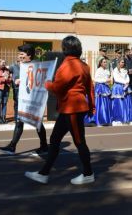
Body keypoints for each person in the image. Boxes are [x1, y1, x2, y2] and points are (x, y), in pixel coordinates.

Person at [25, 36, 95, 185]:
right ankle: (43, 173)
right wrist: (92, 107)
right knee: (55, 139)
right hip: (72, 108)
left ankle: (88, 173)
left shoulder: (67, 65)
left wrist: (47, 84)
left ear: (65, 49)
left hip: (72, 109)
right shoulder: (84, 65)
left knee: (79, 141)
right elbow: (90, 88)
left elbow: (57, 88)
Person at [0, 44, 48, 156]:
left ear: (29, 55)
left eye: (22, 54)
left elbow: (40, 80)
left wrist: (24, 80)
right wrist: (6, 73)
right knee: (19, 123)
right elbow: (6, 71)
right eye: (19, 53)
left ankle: (44, 146)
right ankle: (12, 147)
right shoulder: (15, 66)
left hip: (32, 101)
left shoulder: (36, 66)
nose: (19, 56)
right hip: (19, 100)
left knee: (38, 123)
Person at [111, 58, 132, 123]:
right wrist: (124, 82)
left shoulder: (124, 70)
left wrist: (127, 82)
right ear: (118, 63)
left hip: (125, 86)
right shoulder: (115, 70)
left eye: (123, 62)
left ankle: (127, 116)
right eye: (121, 62)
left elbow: (127, 77)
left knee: (127, 101)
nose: (123, 63)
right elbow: (116, 78)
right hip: (118, 87)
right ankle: (119, 116)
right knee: (119, 102)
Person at [92, 57, 112, 126]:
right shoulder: (98, 70)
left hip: (106, 87)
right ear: (100, 63)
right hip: (100, 88)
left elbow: (108, 79)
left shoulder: (107, 71)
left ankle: (106, 119)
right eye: (104, 62)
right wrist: (105, 80)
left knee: (106, 103)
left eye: (106, 62)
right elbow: (96, 79)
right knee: (100, 103)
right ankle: (99, 119)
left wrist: (108, 81)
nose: (105, 63)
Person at [0, 59, 12, 124]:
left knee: (5, 103)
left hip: (6, 88)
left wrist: (9, 79)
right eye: (2, 63)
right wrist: (3, 79)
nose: (4, 64)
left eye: (5, 63)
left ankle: (4, 118)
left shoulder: (7, 70)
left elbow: (9, 78)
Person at [8, 55, 21, 121]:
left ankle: (22, 117)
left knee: (23, 102)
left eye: (21, 59)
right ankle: (16, 117)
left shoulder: (25, 65)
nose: (20, 61)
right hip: (16, 87)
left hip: (24, 88)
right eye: (19, 60)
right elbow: (8, 72)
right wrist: (11, 78)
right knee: (16, 102)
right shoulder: (13, 66)